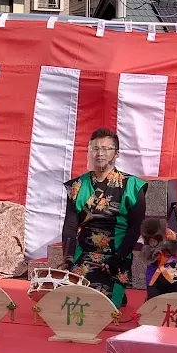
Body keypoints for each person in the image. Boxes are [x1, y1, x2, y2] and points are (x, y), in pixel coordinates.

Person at [61, 128, 147, 308]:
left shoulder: (132, 186)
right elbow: (70, 225)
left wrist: (119, 258)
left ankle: (118, 290)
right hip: (83, 255)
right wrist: (68, 258)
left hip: (115, 257)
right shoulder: (77, 186)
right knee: (68, 302)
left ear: (116, 153)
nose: (100, 153)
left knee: (100, 306)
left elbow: (135, 227)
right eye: (95, 148)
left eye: (106, 149)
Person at [139, 217, 177, 299]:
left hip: (171, 272)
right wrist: (153, 254)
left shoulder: (171, 235)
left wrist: (166, 245)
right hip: (154, 273)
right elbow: (145, 257)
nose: (152, 240)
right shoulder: (147, 239)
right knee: (153, 298)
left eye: (155, 237)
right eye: (150, 238)